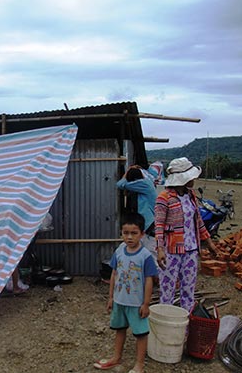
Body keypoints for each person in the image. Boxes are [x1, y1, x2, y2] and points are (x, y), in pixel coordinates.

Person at [94, 213, 158, 373]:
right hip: (119, 301)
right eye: (125, 233)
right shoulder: (120, 250)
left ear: (142, 234)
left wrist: (146, 303)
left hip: (136, 304)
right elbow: (114, 273)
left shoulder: (145, 256)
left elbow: (149, 280)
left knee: (141, 334)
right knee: (119, 329)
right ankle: (116, 358)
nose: (129, 237)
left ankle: (139, 365)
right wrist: (111, 297)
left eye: (134, 233)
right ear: (121, 233)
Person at [155, 157, 219, 312]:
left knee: (188, 290)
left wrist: (209, 242)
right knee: (167, 290)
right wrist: (160, 249)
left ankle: (186, 327)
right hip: (171, 251)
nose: (194, 180)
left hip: (191, 250)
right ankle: (166, 324)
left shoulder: (191, 196)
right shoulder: (164, 198)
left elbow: (198, 221)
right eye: (191, 177)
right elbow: (159, 226)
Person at [116, 165, 158, 261]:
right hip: (145, 225)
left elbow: (120, 184)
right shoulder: (142, 186)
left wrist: (126, 173)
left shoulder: (144, 184)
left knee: (150, 255)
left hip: (149, 226)